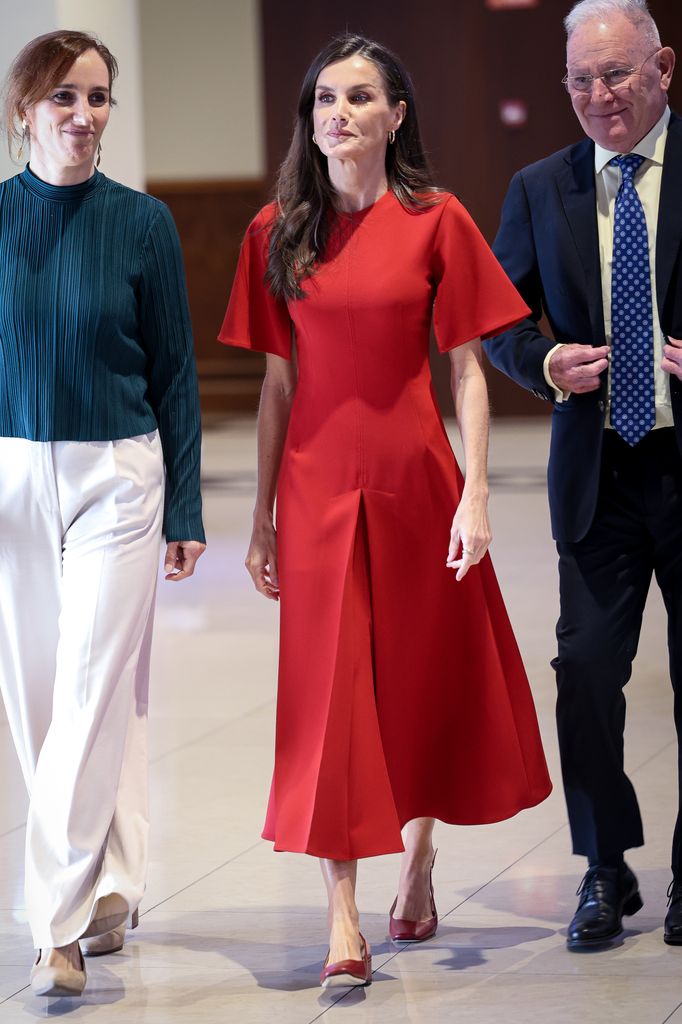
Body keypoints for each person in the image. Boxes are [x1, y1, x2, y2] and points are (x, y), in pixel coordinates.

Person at [219, 33, 551, 989]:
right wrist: (261, 521)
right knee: (331, 702)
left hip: (417, 482)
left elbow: (466, 371)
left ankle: (420, 854)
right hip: (317, 491)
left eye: (361, 98)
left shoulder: (437, 218)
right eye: (326, 99)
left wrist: (477, 494)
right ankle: (340, 916)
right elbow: (277, 388)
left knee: (415, 678)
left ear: (396, 115)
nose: (340, 114)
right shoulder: (273, 230)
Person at [0, 31, 205, 997]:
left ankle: (55, 925)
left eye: (99, 98)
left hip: (118, 477)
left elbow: (175, 374)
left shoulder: (144, 223)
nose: (84, 116)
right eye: (63, 99)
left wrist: (188, 506)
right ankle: (113, 882)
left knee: (85, 695)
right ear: (23, 111)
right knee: (46, 701)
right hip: (10, 477)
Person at [485, 0, 681, 950]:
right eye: (581, 80)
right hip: (597, 472)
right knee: (587, 674)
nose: (599, 96)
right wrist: (547, 363)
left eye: (616, 74)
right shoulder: (538, 186)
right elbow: (499, 322)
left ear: (663, 68)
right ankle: (605, 868)